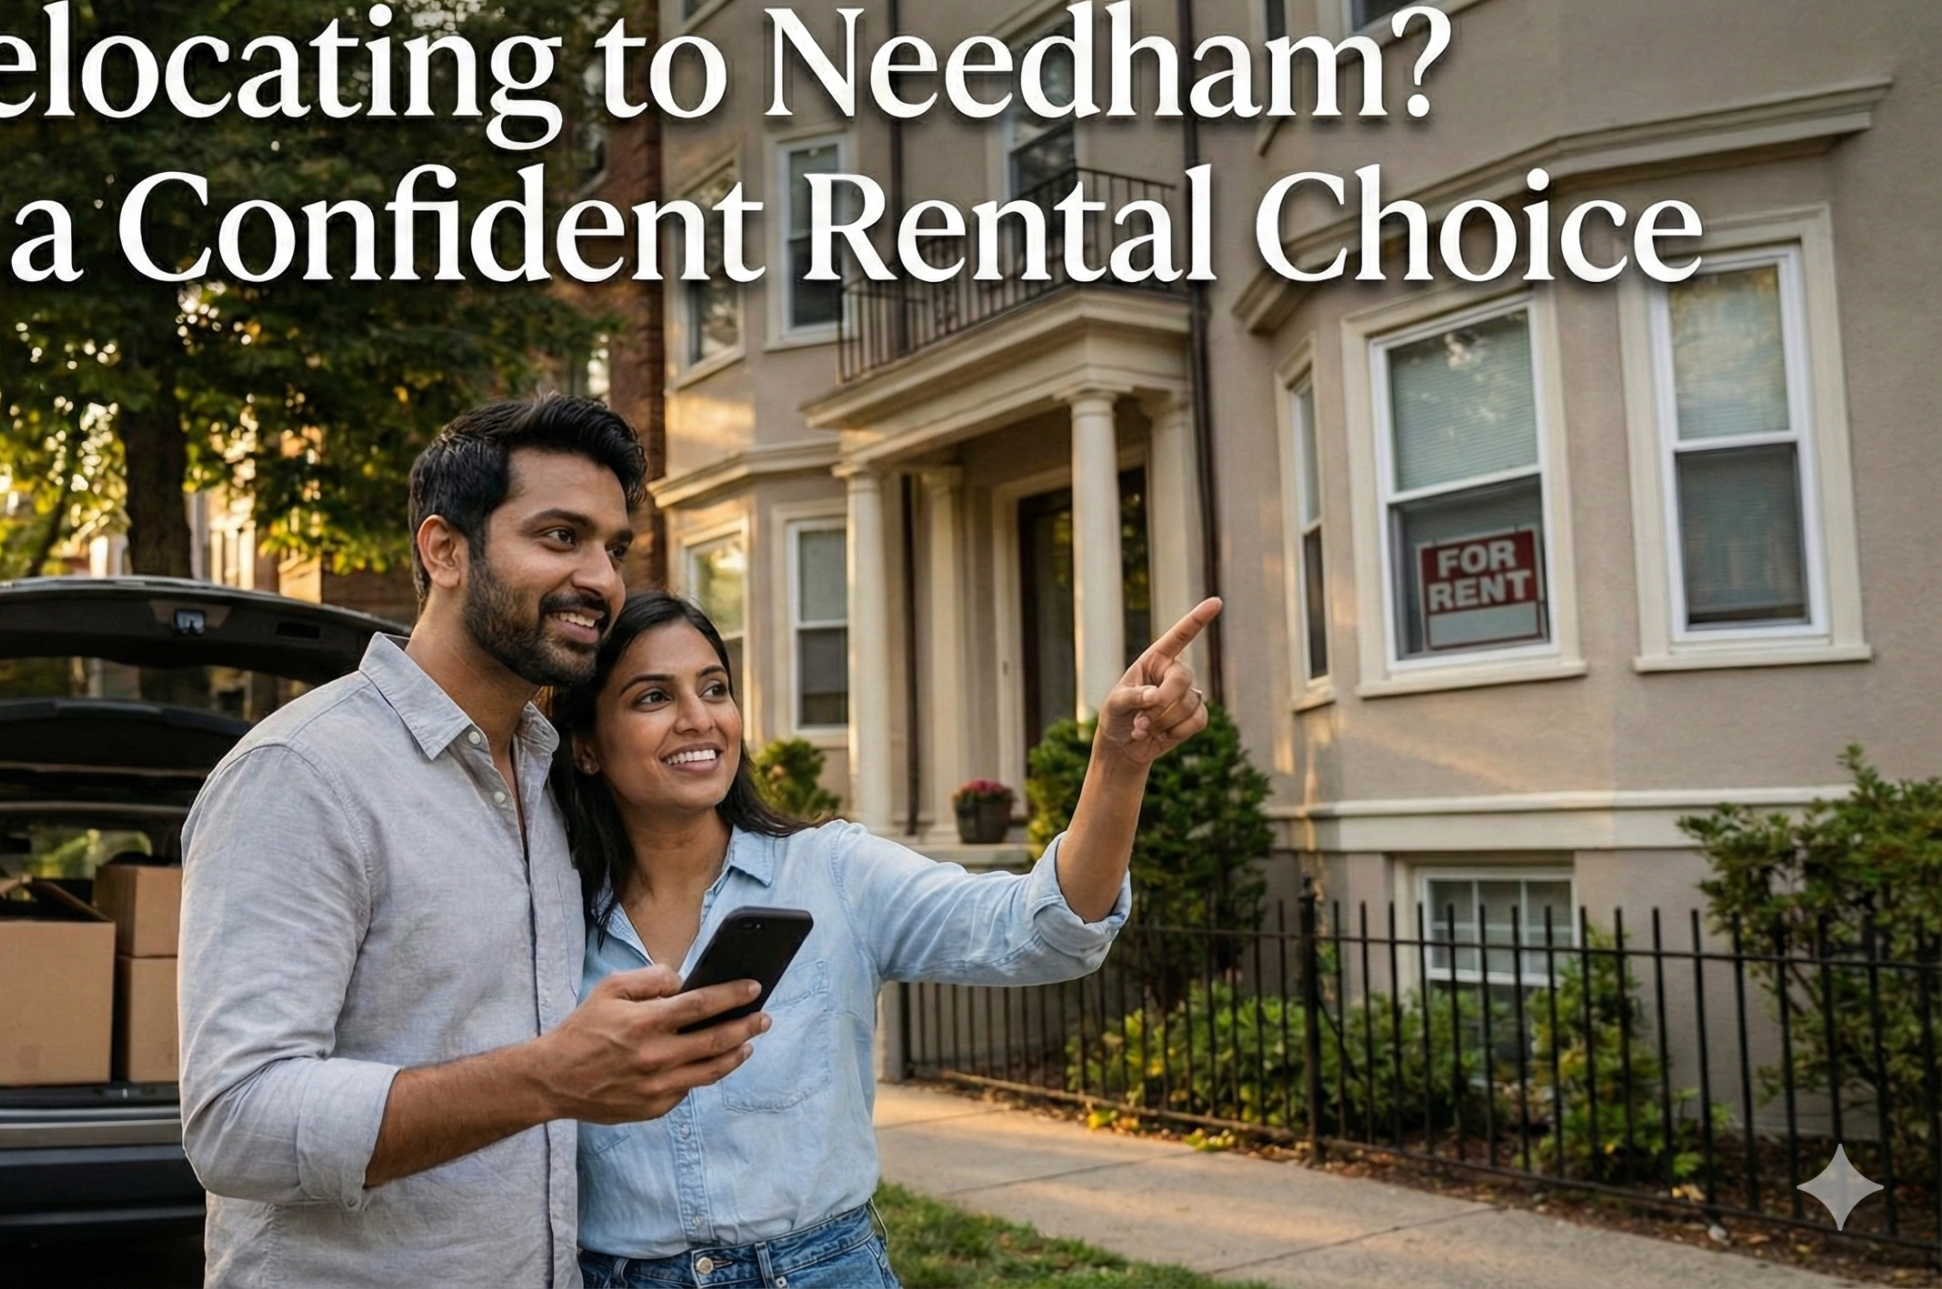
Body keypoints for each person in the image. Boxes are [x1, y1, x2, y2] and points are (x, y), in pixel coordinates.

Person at [178, 396, 772, 1289]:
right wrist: (548, 1078)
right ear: (444, 550)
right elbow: (236, 1122)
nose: (602, 579)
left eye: (613, 547)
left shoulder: (547, 773)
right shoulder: (303, 773)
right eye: (560, 535)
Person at [549, 589, 1223, 1289]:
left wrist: (1118, 763)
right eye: (652, 698)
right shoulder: (545, 914)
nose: (699, 719)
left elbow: (1043, 930)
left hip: (820, 1273)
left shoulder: (832, 870)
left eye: (714, 688)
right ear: (587, 745)